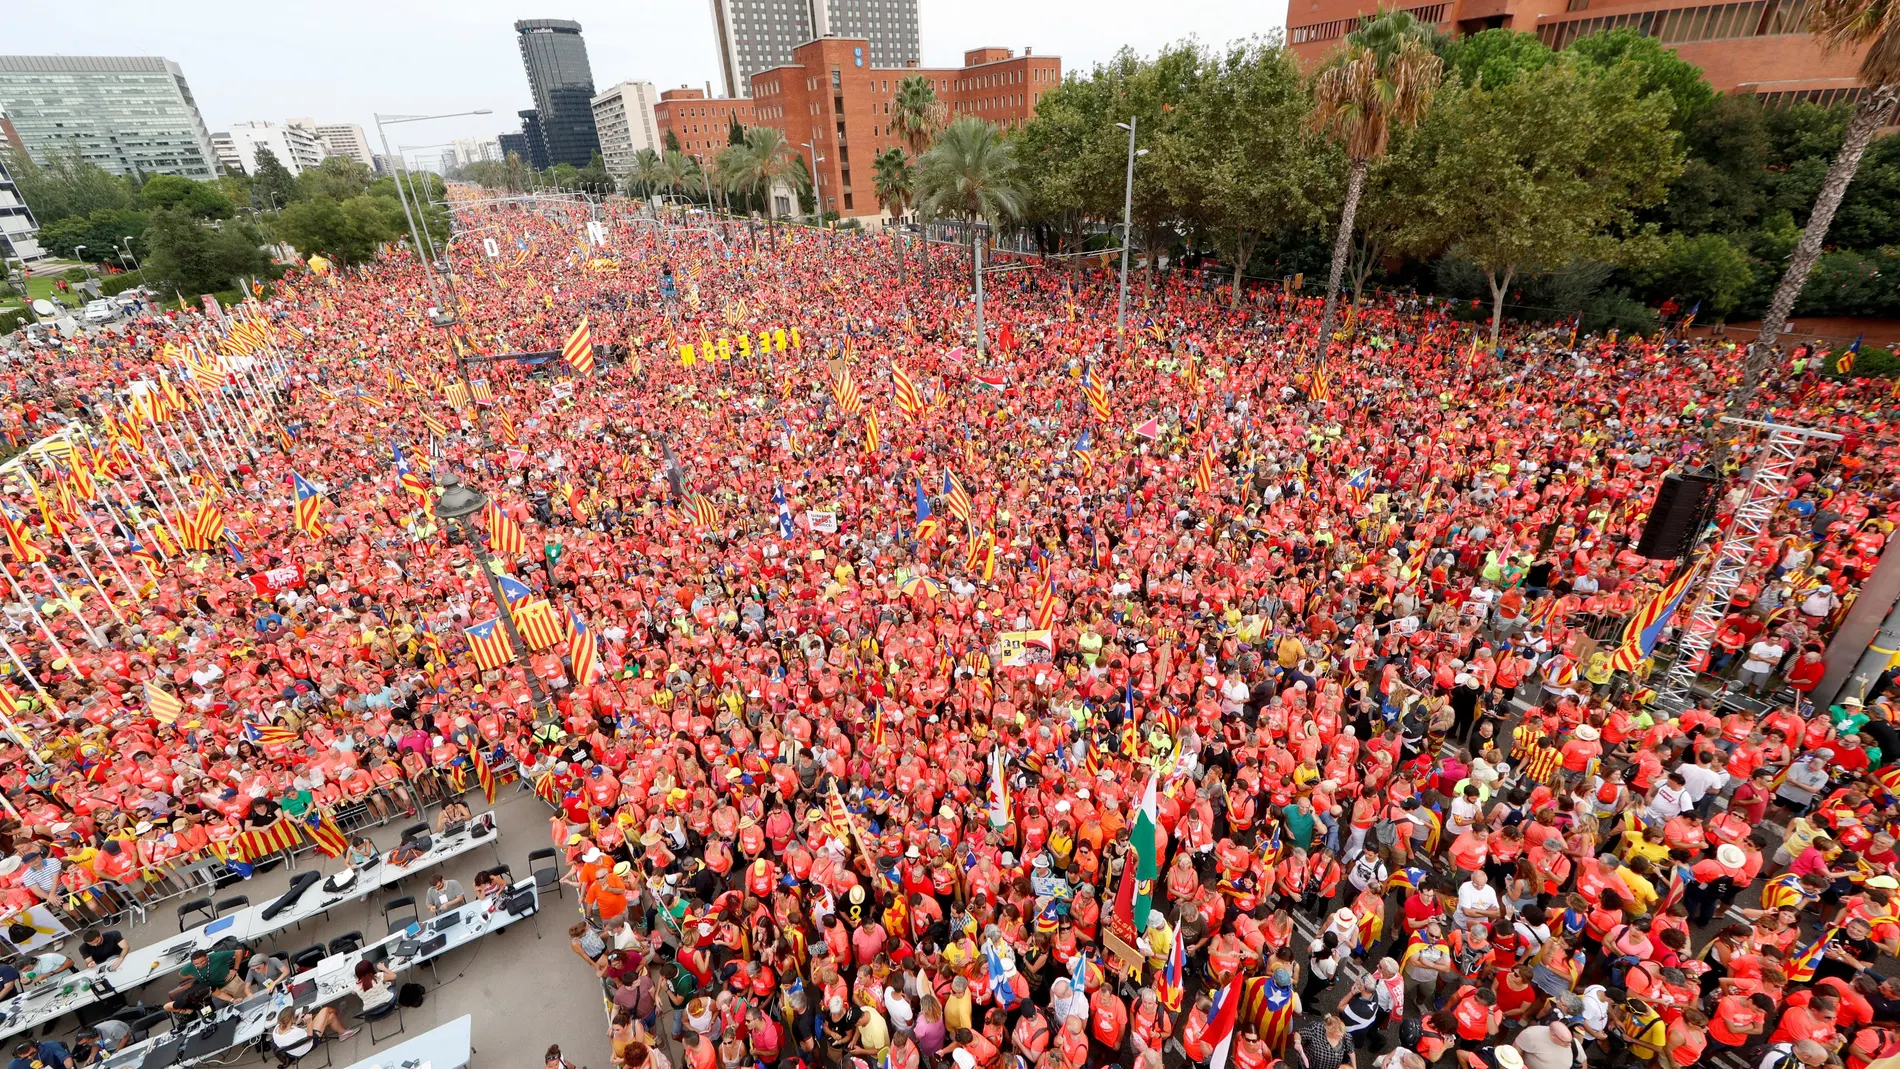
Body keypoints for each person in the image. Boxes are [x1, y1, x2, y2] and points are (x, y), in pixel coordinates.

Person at [271, 1004, 356, 1057]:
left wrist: (297, 1022)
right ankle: (339, 1012)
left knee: (331, 1017)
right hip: (310, 1043)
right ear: (291, 1019)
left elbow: (290, 1034)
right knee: (325, 1010)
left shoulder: (276, 1030)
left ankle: (343, 1033)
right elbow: (310, 1036)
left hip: (295, 1050)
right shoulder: (296, 1032)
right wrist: (309, 1022)